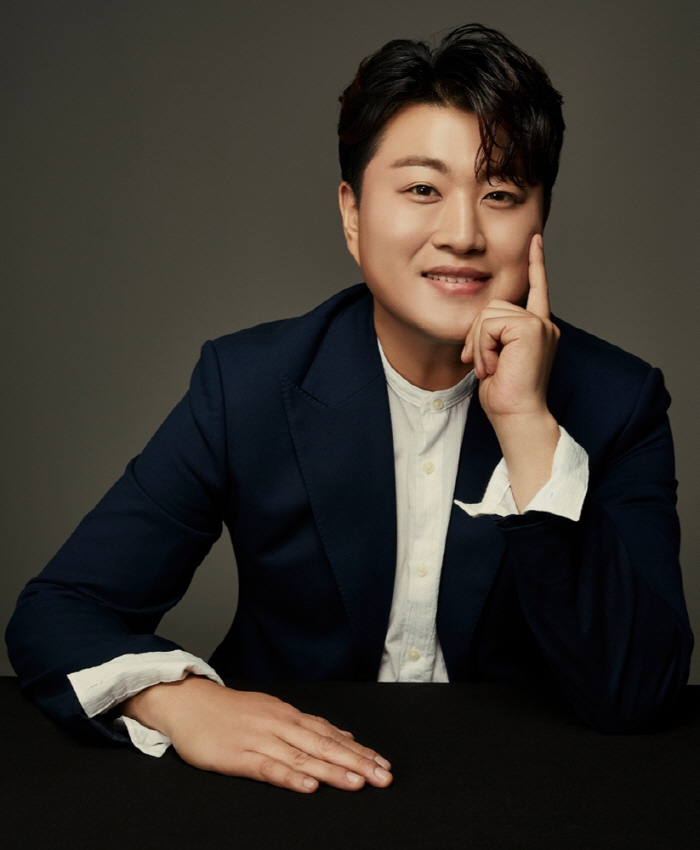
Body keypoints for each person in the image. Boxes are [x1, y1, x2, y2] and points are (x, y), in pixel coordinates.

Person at [6, 23, 693, 794]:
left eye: (501, 194)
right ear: (353, 214)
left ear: (540, 219)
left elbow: (637, 691)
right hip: (283, 792)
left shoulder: (617, 400)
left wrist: (527, 425)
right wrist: (184, 702)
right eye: (422, 189)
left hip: (519, 793)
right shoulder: (249, 384)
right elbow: (58, 610)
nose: (463, 234)